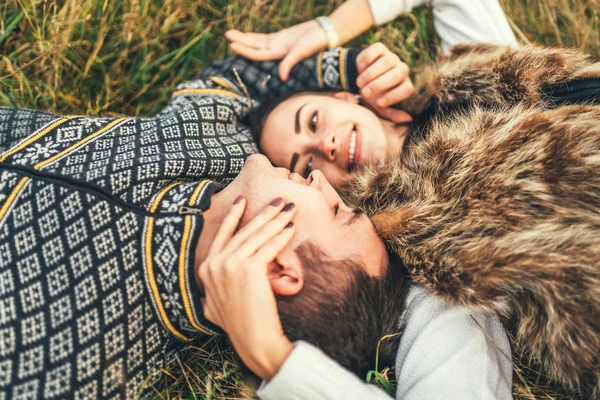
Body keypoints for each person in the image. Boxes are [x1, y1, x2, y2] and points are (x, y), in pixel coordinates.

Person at [226, 0, 518, 188]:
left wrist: (327, 29)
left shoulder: (470, 82)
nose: (324, 145)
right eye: (308, 164)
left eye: (313, 121)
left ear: (345, 97)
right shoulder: (408, 256)